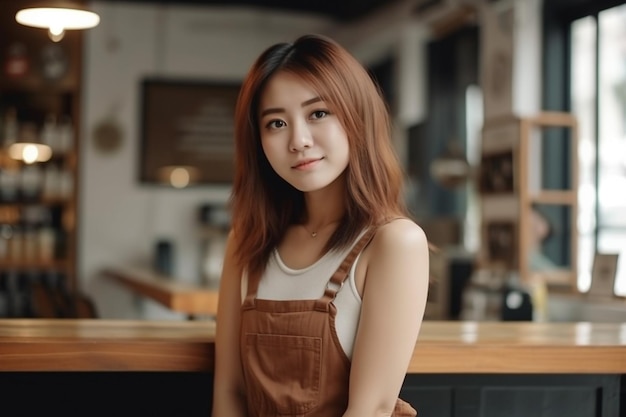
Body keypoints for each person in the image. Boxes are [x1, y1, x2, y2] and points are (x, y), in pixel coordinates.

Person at [212, 34, 430, 417]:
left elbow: (372, 410)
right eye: (276, 123)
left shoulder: (394, 242)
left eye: (318, 113)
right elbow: (229, 394)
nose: (298, 141)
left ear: (356, 116)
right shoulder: (247, 241)